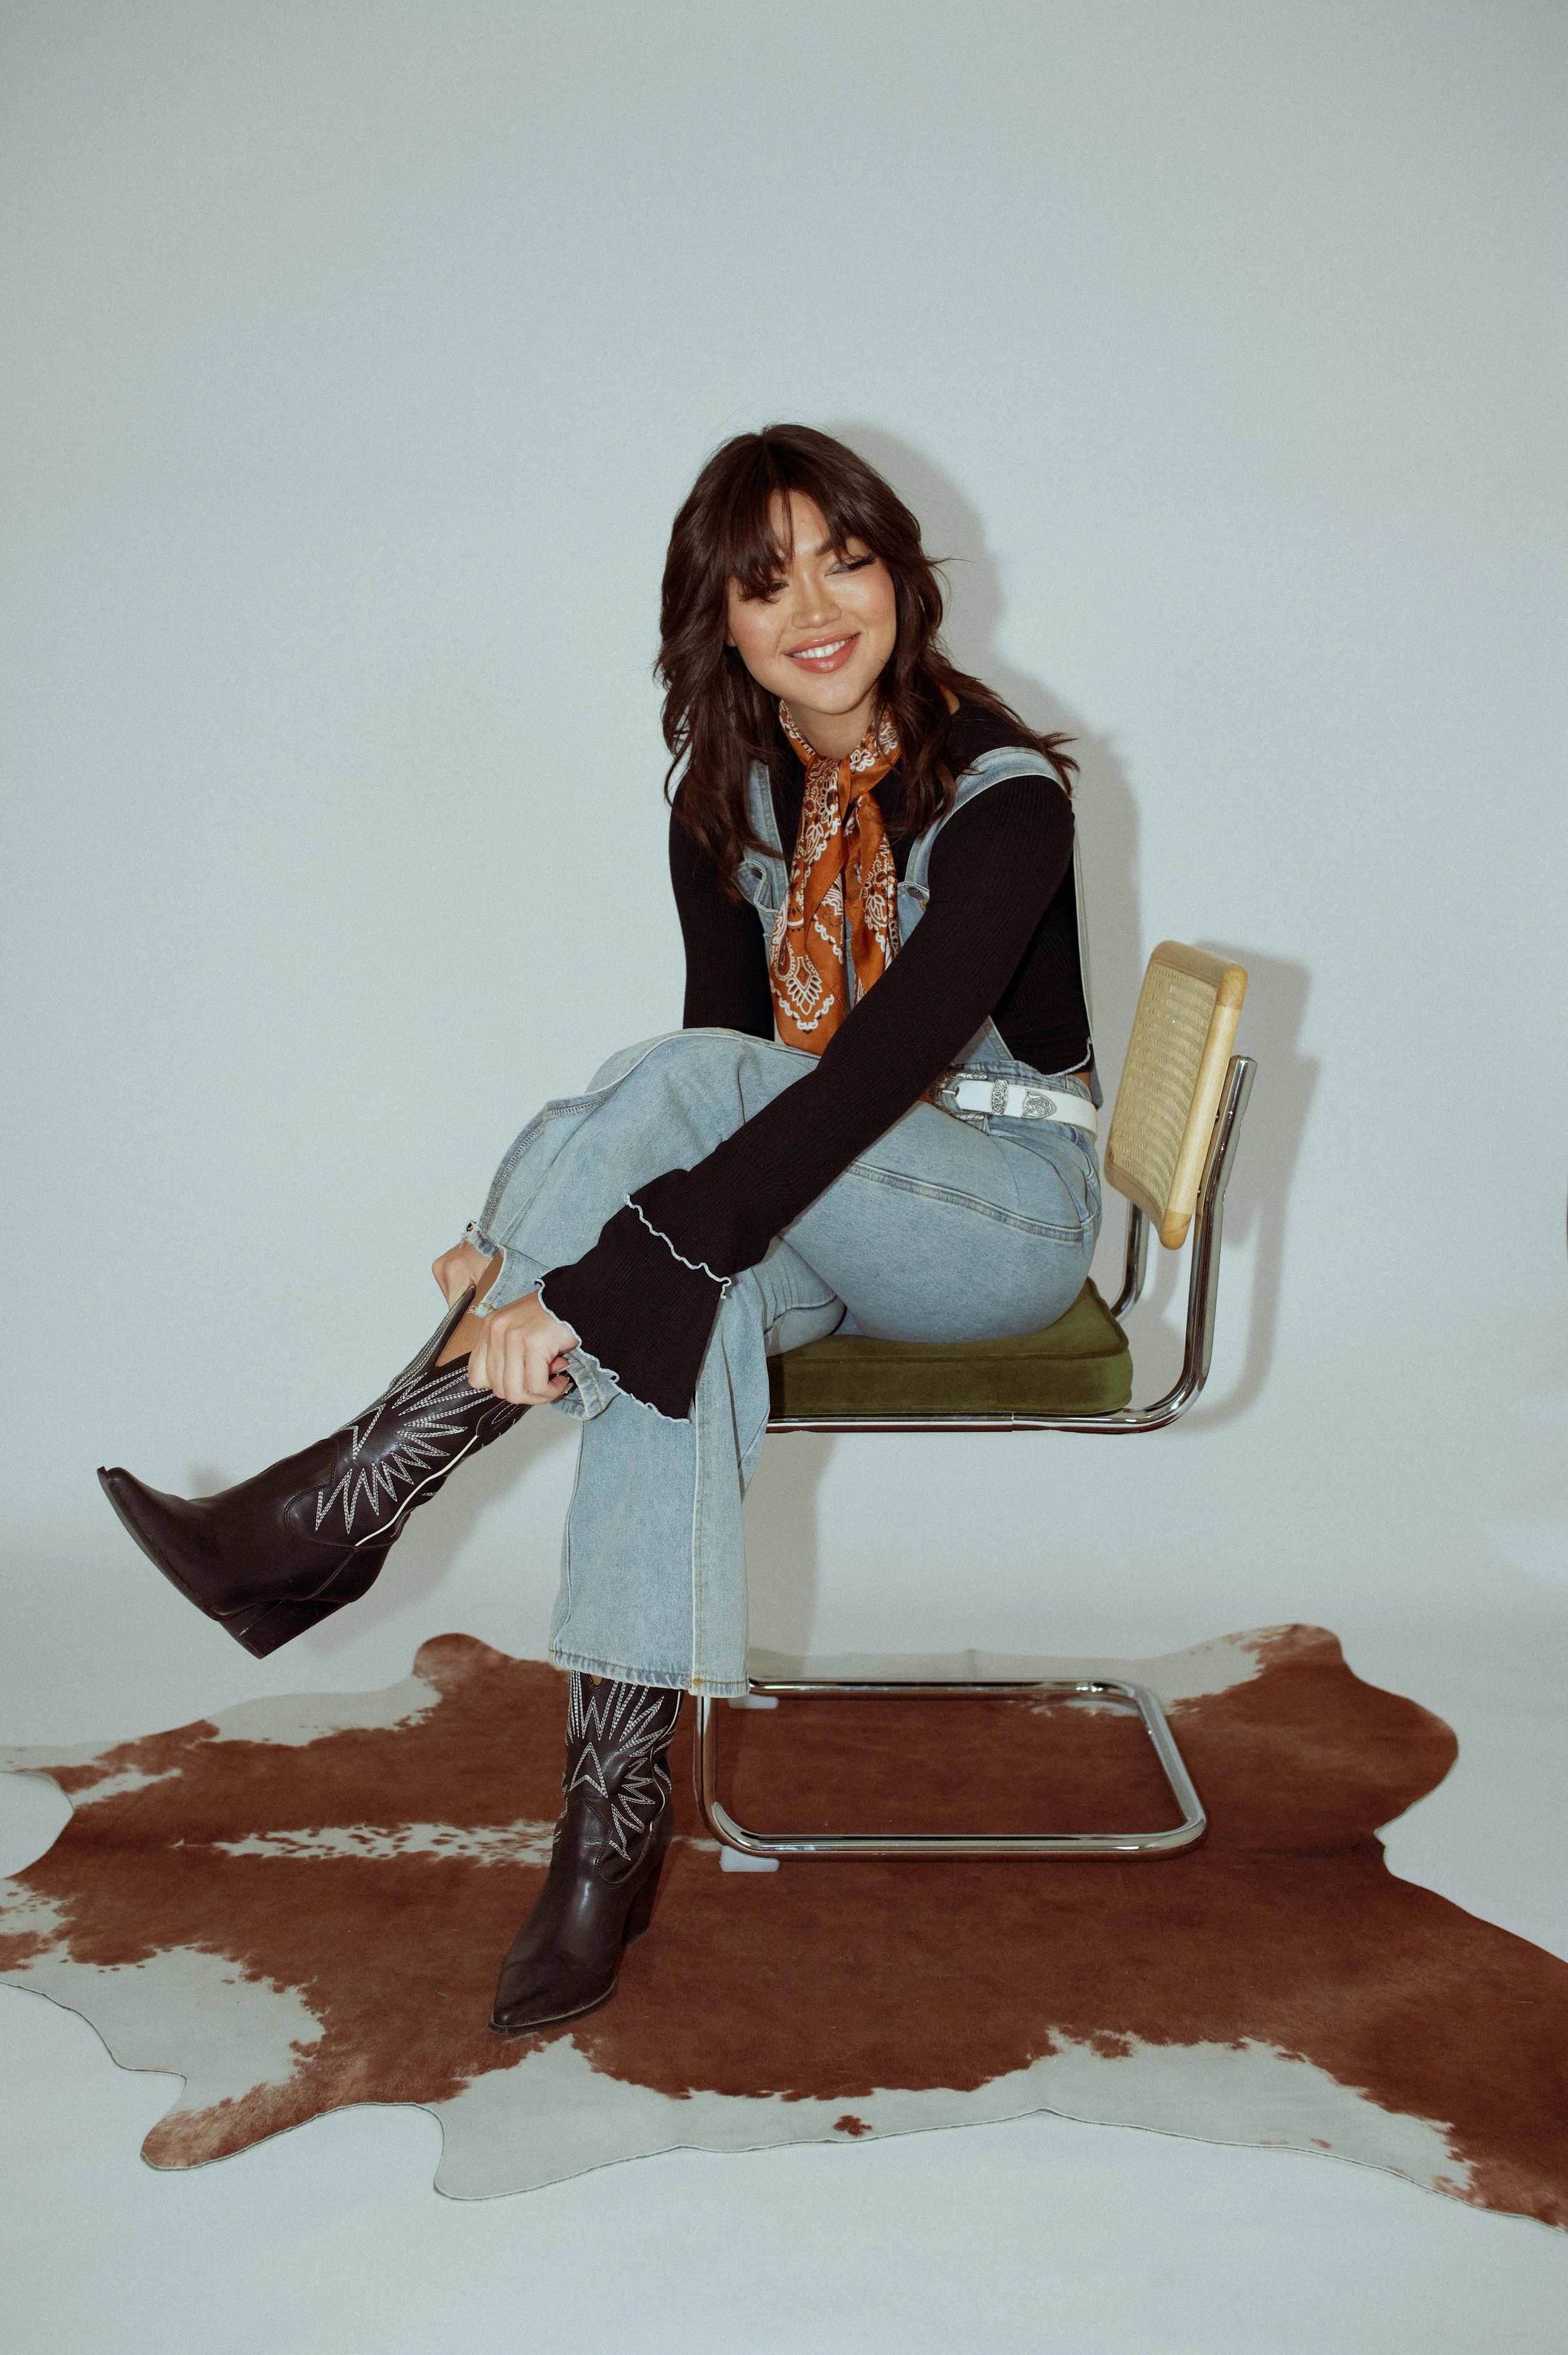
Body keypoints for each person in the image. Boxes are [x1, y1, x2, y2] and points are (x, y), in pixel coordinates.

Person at [98, 425, 1101, 2037]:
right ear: (717, 620)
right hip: (805, 1197)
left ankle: (344, 1500)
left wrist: (540, 1270)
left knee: (655, 1239)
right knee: (665, 1332)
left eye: (842, 561)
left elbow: (859, 1086)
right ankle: (605, 1845)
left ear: (901, 571)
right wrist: (593, 1279)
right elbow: (706, 1076)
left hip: (989, 1225)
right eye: (764, 583)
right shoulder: (727, 795)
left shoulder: (1005, 800)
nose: (815, 609)